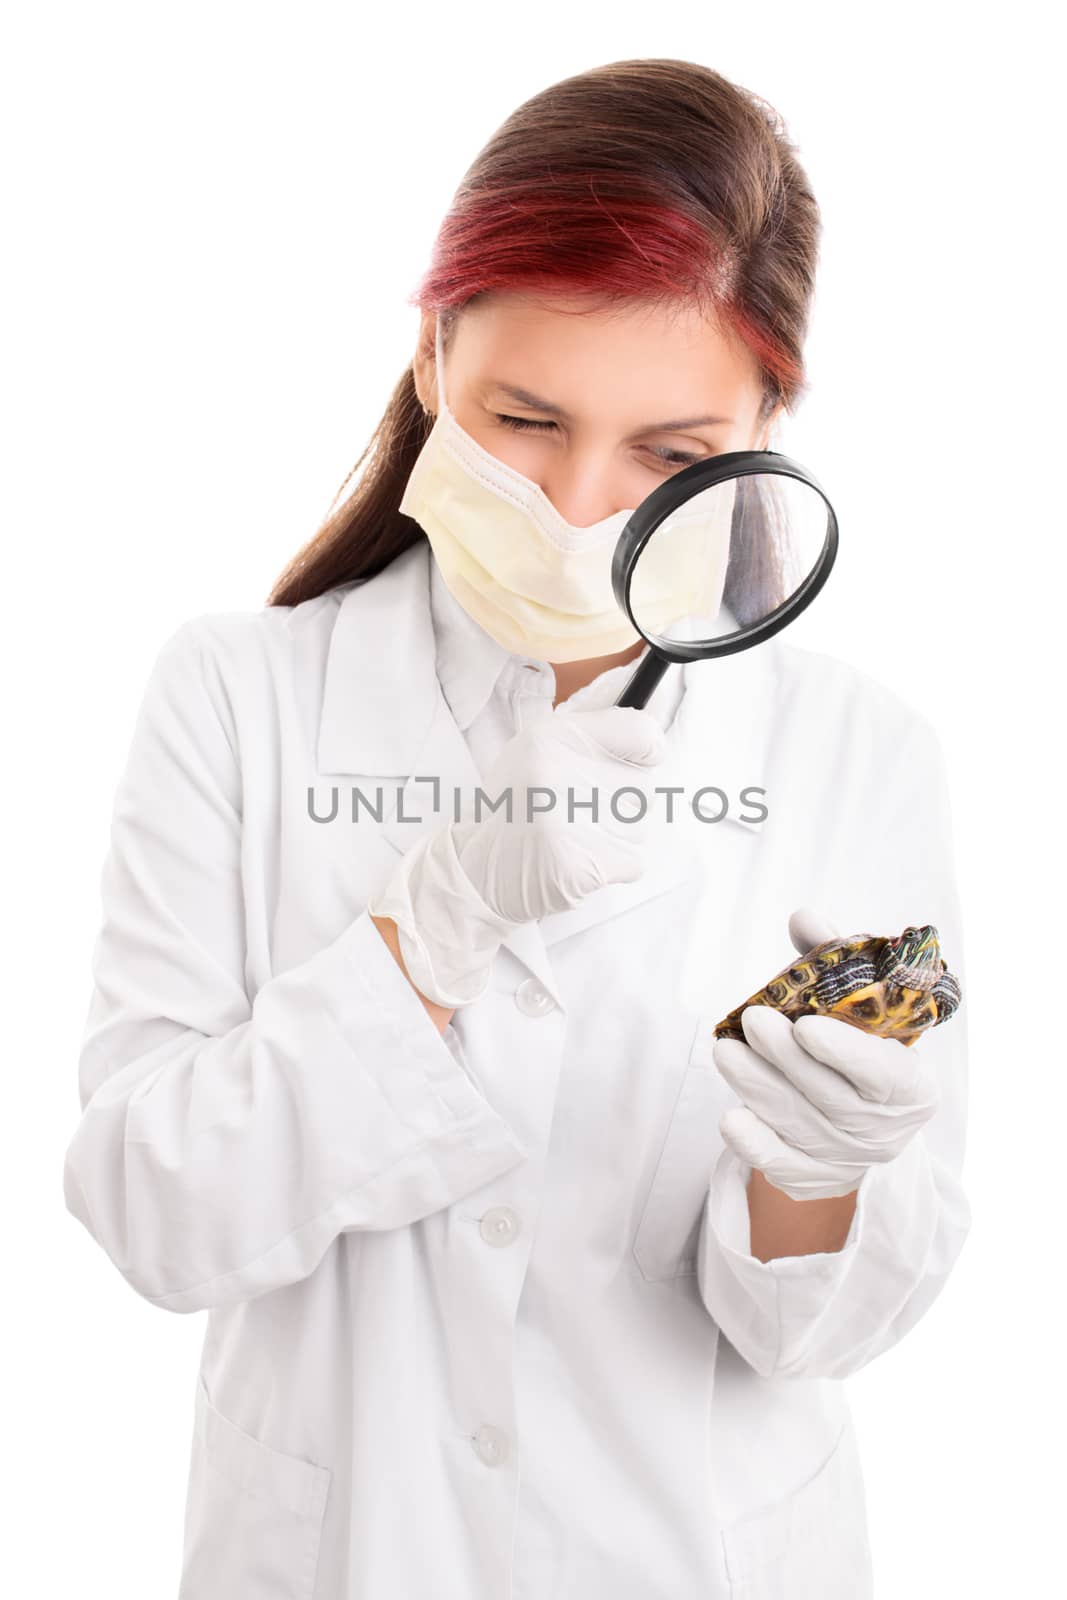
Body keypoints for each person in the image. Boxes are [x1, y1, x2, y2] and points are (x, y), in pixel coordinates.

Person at [62, 58, 971, 1600]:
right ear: (431, 355)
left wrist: (816, 1178)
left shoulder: (854, 749)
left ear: (765, 424)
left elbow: (821, 1336)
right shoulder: (236, 694)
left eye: (668, 455)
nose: (570, 505)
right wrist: (431, 932)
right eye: (525, 419)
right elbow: (154, 1215)